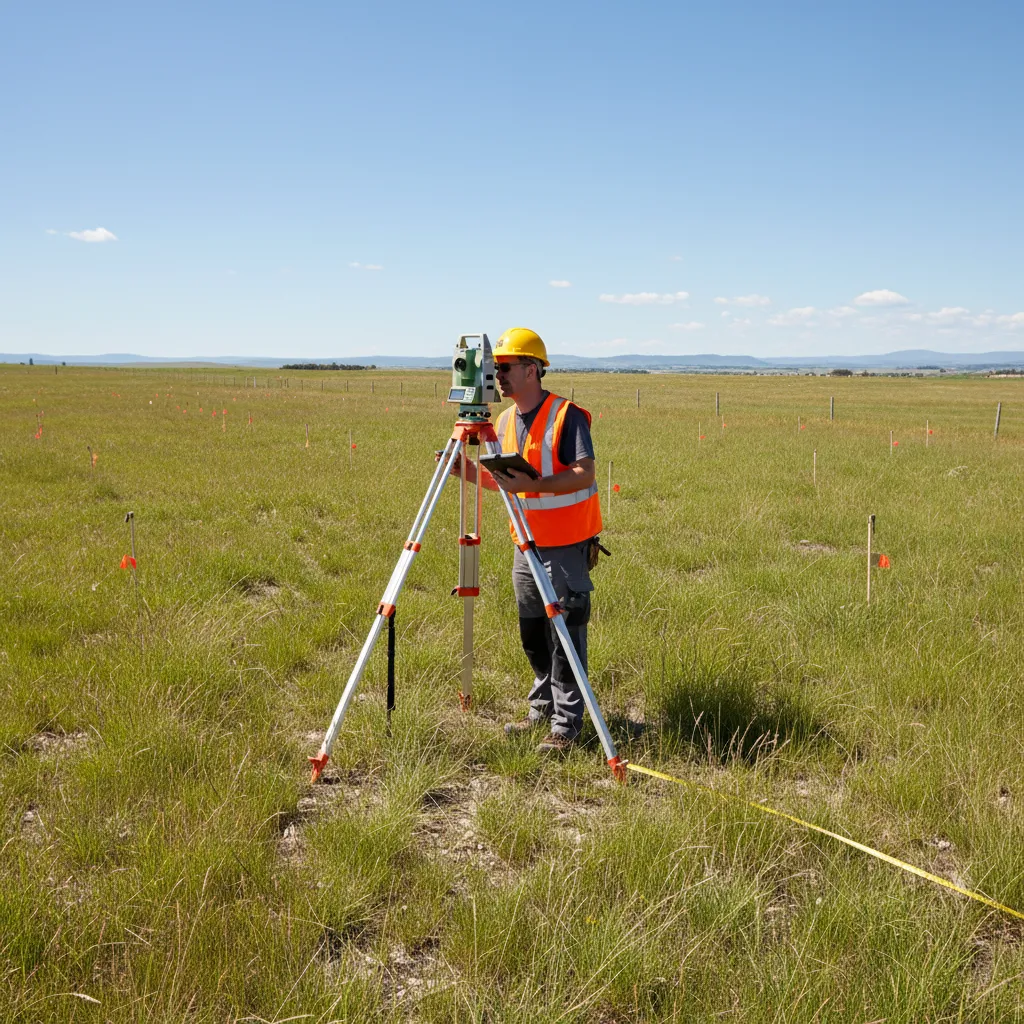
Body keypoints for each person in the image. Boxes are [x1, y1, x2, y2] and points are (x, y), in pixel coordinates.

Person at [445, 327, 602, 754]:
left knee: (565, 636)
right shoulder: (504, 421)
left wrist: (537, 485)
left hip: (566, 546)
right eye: (496, 368)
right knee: (533, 634)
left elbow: (584, 473)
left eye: (506, 367)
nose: (498, 376)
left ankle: (566, 728)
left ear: (532, 369)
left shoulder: (566, 415)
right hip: (526, 545)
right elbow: (504, 484)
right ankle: (541, 709)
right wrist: (466, 472)